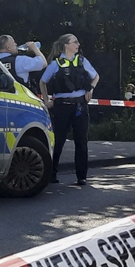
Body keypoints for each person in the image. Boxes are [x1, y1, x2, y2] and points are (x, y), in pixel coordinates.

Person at [40, 33, 99, 186]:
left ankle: (81, 176)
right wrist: (46, 100)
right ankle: (51, 175)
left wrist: (90, 89)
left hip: (79, 105)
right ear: (66, 45)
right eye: (75, 42)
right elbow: (43, 82)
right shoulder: (56, 63)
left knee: (81, 141)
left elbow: (96, 76)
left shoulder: (82, 61)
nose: (78, 44)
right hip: (61, 106)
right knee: (58, 141)